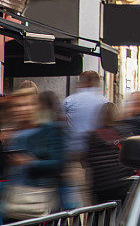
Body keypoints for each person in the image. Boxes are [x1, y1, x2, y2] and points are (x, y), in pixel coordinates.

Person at [1, 87, 65, 221]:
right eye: (18, 105)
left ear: (36, 107)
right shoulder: (13, 135)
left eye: (27, 104)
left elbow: (58, 163)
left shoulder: (50, 129)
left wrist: (30, 162)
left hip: (38, 202)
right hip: (13, 201)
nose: (22, 109)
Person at [84, 103, 135, 204]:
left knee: (100, 215)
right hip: (121, 184)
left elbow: (87, 161)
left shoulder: (93, 136)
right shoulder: (126, 133)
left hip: (100, 185)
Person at [63, 71, 106, 157]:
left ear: (82, 82)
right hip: (96, 150)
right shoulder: (105, 102)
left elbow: (60, 121)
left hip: (74, 149)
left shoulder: (69, 101)